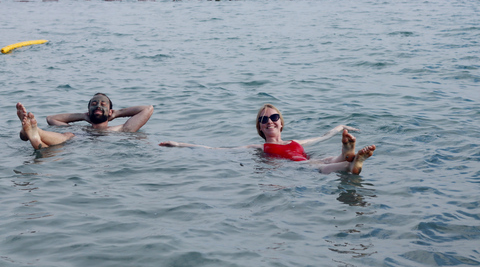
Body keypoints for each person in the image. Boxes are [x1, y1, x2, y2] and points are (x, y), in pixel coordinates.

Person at [159, 103, 375, 175]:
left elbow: (321, 136)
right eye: (264, 119)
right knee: (316, 166)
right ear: (260, 128)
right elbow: (215, 149)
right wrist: (178, 144)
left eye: (273, 117)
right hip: (300, 169)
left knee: (327, 159)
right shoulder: (258, 147)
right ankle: (350, 163)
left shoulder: (297, 142)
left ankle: (347, 154)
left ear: (281, 122)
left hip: (307, 161)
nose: (269, 121)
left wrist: (340, 127)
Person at [17, 93, 154, 150]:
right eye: (94, 103)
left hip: (78, 146)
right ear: (89, 111)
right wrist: (83, 116)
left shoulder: (121, 129)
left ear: (110, 111)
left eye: (103, 104)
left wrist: (116, 114)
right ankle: (34, 135)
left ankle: (33, 134)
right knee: (68, 135)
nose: (98, 105)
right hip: (75, 140)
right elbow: (51, 119)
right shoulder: (80, 129)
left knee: (67, 137)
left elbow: (147, 109)